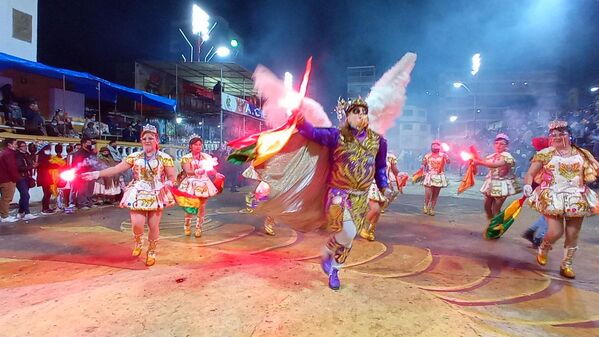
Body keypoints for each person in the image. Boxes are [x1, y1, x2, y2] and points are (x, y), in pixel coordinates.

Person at [296, 97, 388, 290]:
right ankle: (327, 250)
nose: (360, 115)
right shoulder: (336, 136)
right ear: (347, 116)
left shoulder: (378, 141)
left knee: (348, 238)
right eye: (356, 112)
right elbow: (312, 132)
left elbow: (380, 167)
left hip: (361, 197)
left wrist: (383, 186)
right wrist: (300, 120)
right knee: (348, 232)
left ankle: (335, 270)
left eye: (364, 112)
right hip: (338, 192)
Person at [82, 125, 176, 266]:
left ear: (157, 140)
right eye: (144, 138)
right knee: (137, 225)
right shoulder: (134, 156)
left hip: (156, 192)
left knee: (153, 225)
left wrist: (167, 184)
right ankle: (139, 241)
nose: (147, 141)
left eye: (151, 138)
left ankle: (151, 251)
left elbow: (172, 177)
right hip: (138, 191)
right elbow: (115, 169)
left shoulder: (165, 158)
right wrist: (96, 174)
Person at [523, 120, 599, 279]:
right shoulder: (545, 154)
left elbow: (592, 172)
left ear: (570, 136)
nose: (557, 137)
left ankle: (567, 264)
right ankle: (544, 248)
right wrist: (528, 185)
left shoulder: (582, 154)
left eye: (562, 134)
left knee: (573, 233)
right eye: (553, 135)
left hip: (576, 196)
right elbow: (530, 174)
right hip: (553, 195)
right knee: (555, 231)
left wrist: (589, 176)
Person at [175, 136, 223, 237]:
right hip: (191, 183)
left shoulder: (206, 157)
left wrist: (216, 174)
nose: (198, 147)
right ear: (190, 146)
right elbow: (188, 171)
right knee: (191, 205)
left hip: (203, 182)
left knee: (202, 206)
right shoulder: (186, 158)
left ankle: (198, 227)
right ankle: (187, 225)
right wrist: (197, 171)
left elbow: (210, 168)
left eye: (200, 144)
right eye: (195, 144)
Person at [473, 133, 521, 220]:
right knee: (487, 207)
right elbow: (484, 162)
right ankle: (492, 223)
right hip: (491, 183)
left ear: (506, 146)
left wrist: (479, 162)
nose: (498, 145)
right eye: (497, 143)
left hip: (503, 184)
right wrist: (474, 160)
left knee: (496, 209)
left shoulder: (507, 156)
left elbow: (496, 164)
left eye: (501, 144)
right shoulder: (491, 156)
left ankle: (496, 227)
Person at [421, 140, 449, 216]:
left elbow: (449, 162)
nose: (435, 148)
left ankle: (432, 208)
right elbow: (423, 165)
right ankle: (426, 205)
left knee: (435, 194)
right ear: (431, 147)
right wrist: (422, 172)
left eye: (437, 147)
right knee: (428, 194)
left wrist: (447, 156)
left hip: (439, 176)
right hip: (429, 176)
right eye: (434, 146)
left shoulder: (443, 155)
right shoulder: (427, 156)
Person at [0, 138, 22, 222]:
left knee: (4, 198)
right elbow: (11, 168)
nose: (16, 146)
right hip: (7, 179)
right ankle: (4, 216)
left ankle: (3, 214)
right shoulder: (9, 154)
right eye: (15, 144)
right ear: (10, 144)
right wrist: (16, 178)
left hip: (3, 178)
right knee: (6, 198)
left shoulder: (3, 152)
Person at [15, 141, 38, 220]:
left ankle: (20, 212)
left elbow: (29, 163)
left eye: (25, 145)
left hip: (26, 177)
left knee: (24, 195)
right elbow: (19, 168)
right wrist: (31, 166)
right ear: (18, 147)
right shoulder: (17, 155)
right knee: (25, 195)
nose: (25, 147)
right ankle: (27, 213)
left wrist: (33, 165)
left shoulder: (26, 154)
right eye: (23, 146)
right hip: (20, 177)